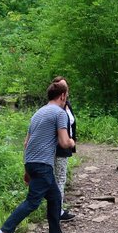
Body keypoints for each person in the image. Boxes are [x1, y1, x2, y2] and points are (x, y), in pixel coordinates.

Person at [0, 79, 74, 233]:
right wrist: (72, 142)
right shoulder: (59, 113)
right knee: (32, 202)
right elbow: (64, 142)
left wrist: (27, 170)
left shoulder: (38, 113)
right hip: (43, 164)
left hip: (32, 162)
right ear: (63, 95)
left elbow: (27, 143)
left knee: (55, 197)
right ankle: (4, 232)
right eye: (67, 95)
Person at [52, 76, 77, 222]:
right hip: (59, 146)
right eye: (62, 87)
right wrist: (67, 142)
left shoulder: (67, 105)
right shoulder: (55, 108)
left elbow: (71, 124)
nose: (65, 91)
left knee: (59, 178)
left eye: (66, 87)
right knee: (59, 179)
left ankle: (57, 209)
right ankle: (58, 211)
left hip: (66, 144)